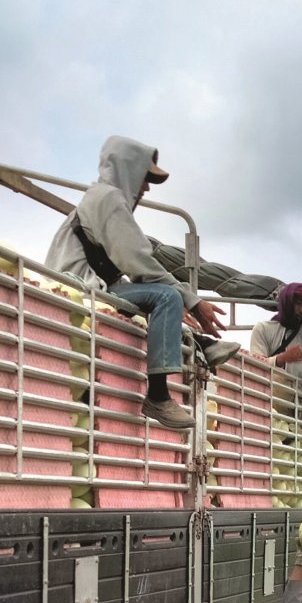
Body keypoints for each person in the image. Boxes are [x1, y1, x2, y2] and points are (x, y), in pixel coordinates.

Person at [45, 136, 238, 430]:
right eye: (145, 178)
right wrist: (192, 299)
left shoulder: (102, 198)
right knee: (165, 298)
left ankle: (200, 344)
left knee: (163, 300)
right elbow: (139, 263)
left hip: (93, 285)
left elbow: (130, 269)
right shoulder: (108, 198)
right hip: (81, 286)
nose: (146, 188)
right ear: (128, 170)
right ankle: (158, 396)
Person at [250, 282, 302, 400]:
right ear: (287, 301)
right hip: (265, 402)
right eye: (298, 303)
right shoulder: (262, 329)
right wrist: (282, 358)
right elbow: (255, 366)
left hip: (294, 408)